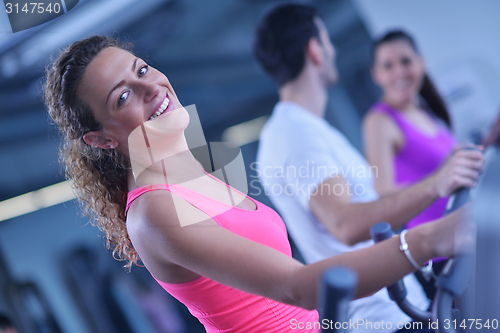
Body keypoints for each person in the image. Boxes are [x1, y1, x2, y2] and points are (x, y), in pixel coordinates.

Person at [44, 35, 472, 333]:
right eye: (123, 96)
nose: (150, 87)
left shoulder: (200, 170)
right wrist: (431, 238)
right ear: (101, 139)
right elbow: (299, 287)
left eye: (142, 69)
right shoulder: (154, 211)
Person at [254, 3, 483, 332]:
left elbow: (370, 209)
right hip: (382, 321)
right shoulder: (294, 133)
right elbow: (345, 223)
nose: (331, 50)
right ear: (315, 50)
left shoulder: (309, 129)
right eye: (327, 42)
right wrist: (437, 183)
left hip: (403, 306)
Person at [363, 30, 500, 298]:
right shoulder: (379, 121)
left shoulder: (425, 109)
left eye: (405, 61)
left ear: (420, 63)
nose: (399, 72)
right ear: (376, 74)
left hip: (468, 237)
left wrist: (488, 140)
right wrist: (439, 178)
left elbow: (447, 169)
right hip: (443, 254)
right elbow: (383, 191)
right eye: (387, 65)